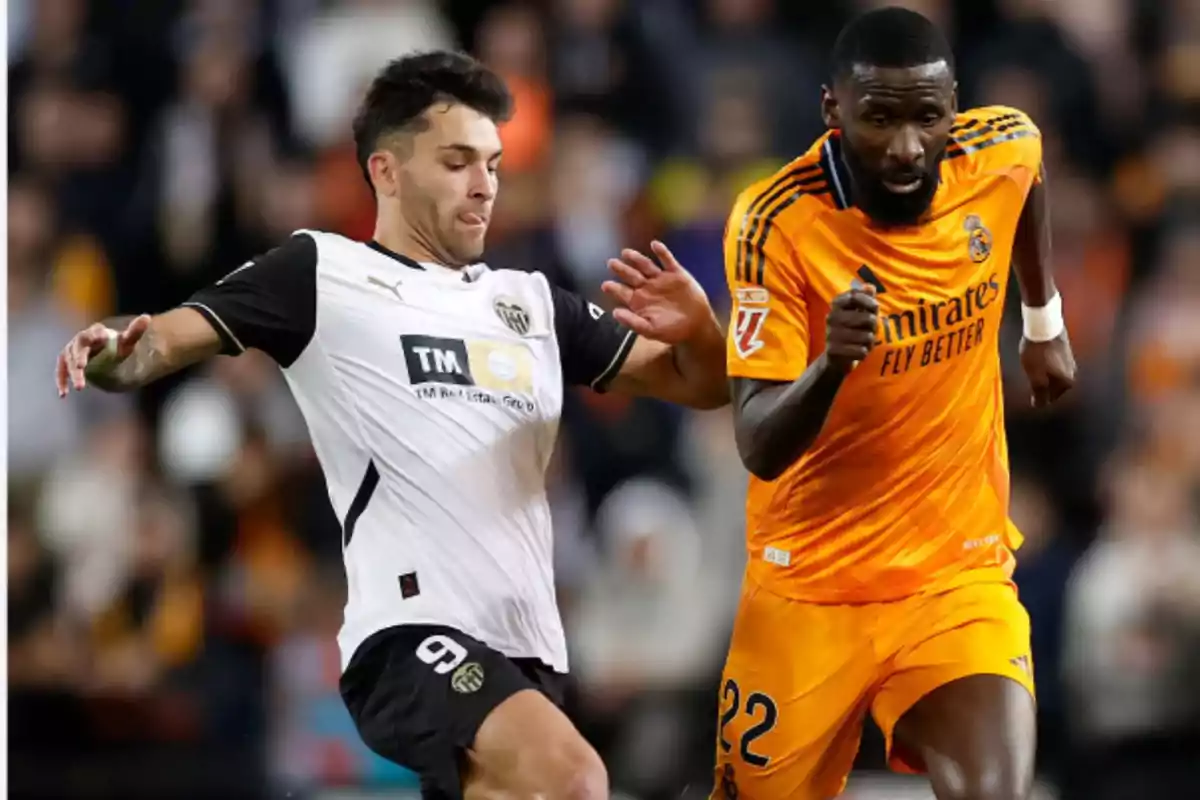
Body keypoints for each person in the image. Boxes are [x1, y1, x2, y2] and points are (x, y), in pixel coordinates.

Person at [55, 51, 729, 800]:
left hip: (530, 649)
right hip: (410, 637)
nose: (485, 186)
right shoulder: (323, 274)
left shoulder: (531, 305)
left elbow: (701, 384)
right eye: (457, 162)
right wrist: (115, 352)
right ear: (387, 171)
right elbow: (164, 338)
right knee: (575, 779)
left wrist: (701, 331)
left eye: (495, 165)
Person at [714, 8, 1076, 800]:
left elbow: (1028, 176)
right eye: (879, 118)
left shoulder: (1001, 145)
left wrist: (1042, 320)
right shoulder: (774, 222)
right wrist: (830, 365)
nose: (908, 146)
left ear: (954, 107)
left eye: (928, 116)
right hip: (808, 591)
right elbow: (757, 443)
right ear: (832, 112)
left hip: (953, 578)